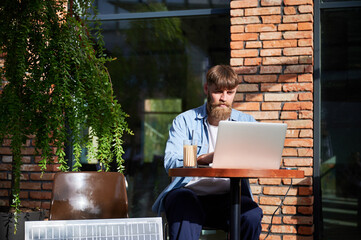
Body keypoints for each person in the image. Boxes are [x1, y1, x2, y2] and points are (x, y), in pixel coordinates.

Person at [152, 65, 263, 240]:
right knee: (184, 206)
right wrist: (203, 159)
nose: (224, 98)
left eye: (230, 92)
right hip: (188, 193)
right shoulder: (184, 121)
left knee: (251, 215)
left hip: (229, 197)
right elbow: (171, 162)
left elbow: (260, 158)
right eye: (218, 92)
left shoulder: (246, 122)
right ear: (206, 89)